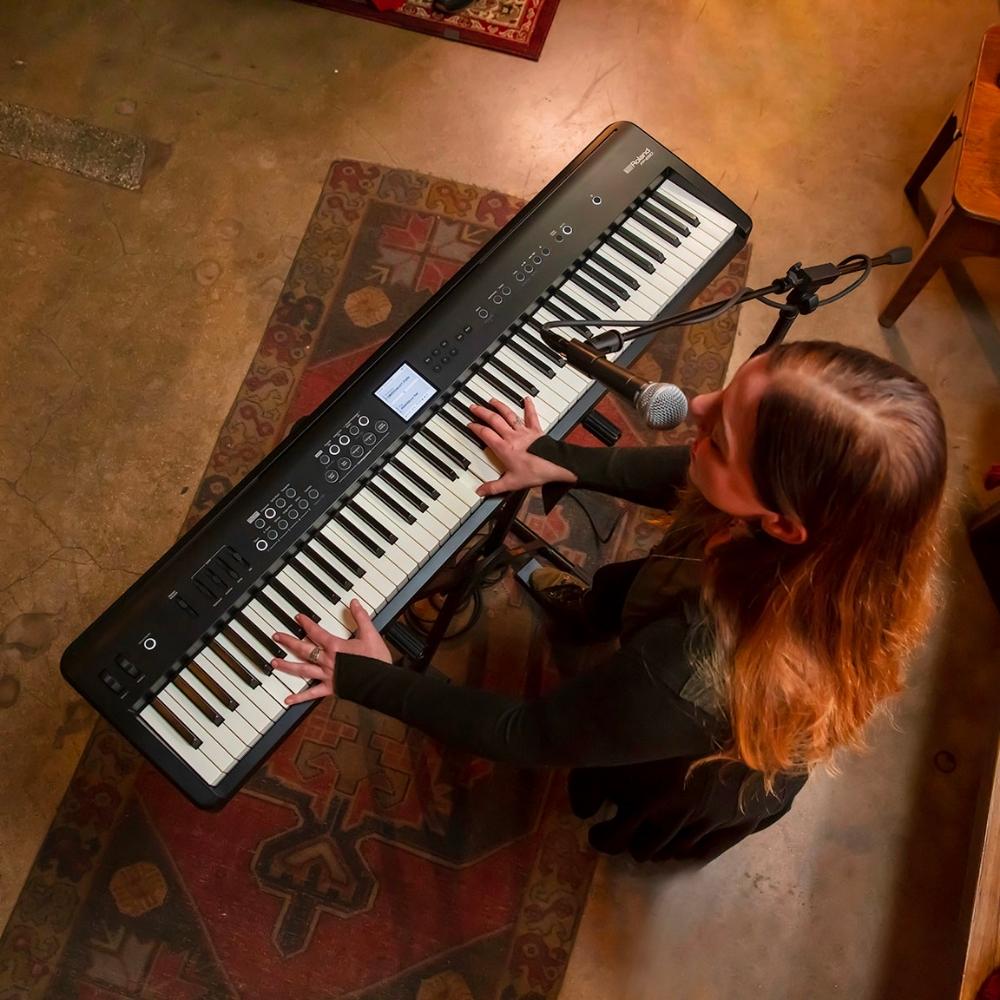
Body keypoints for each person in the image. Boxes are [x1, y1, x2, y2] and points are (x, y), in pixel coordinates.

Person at [269, 340, 947, 861]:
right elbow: (691, 474)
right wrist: (561, 458)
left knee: (613, 770)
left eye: (720, 437)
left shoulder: (688, 674)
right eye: (728, 390)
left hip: (692, 761)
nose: (695, 404)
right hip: (677, 618)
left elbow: (526, 734)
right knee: (621, 600)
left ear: (780, 524)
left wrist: (363, 676)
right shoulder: (852, 537)